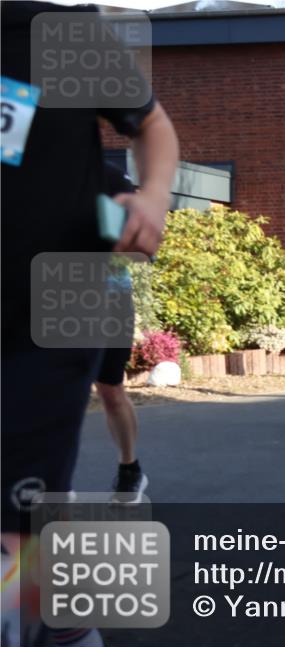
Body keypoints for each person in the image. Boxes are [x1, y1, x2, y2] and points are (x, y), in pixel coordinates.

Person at [2, 4, 179, 647]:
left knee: (17, 504)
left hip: (57, 303)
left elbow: (154, 125)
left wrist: (153, 196)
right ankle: (78, 638)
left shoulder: (63, 35)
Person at [95, 162, 146, 502]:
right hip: (53, 291)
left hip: (110, 295)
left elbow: (135, 246)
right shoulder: (32, 167)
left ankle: (130, 467)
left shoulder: (111, 177)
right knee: (51, 389)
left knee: (110, 389)